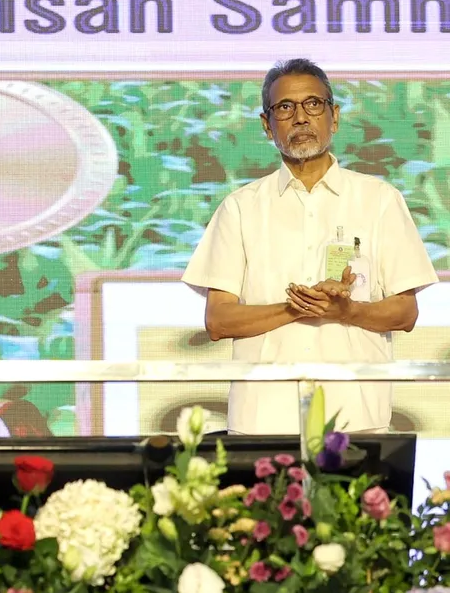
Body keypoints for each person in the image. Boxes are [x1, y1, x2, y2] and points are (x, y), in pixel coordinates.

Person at [182, 58, 437, 434]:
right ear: (267, 126)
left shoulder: (380, 200)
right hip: (262, 423)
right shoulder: (239, 208)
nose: (300, 117)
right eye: (285, 107)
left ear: (333, 117)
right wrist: (299, 307)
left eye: (313, 104)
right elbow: (218, 321)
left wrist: (345, 310)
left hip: (357, 419)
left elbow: (404, 313)